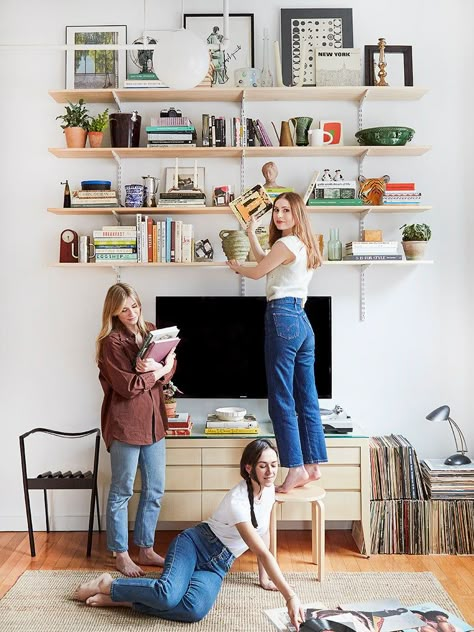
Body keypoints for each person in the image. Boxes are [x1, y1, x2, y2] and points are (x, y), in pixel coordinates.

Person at [74, 439, 306, 630]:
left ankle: (124, 601)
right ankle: (109, 585)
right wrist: (290, 596)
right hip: (194, 545)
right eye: (263, 465)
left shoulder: (268, 493)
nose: (270, 472)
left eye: (274, 465)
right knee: (167, 595)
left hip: (217, 566)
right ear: (249, 467)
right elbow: (262, 551)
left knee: (193, 610)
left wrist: (264, 579)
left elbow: (263, 534)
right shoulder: (238, 501)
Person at [226, 192, 328, 493]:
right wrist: (250, 235)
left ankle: (294, 467)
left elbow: (258, 272)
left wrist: (236, 267)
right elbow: (265, 261)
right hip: (302, 321)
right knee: (307, 398)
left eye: (286, 210)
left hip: (282, 316)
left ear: (297, 214)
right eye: (276, 210)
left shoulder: (286, 244)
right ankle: (312, 465)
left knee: (281, 399)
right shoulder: (303, 245)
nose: (279, 215)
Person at [96, 283, 177, 577]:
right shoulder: (111, 343)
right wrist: (157, 371)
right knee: (122, 490)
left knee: (155, 489)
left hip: (155, 423)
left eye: (135, 305)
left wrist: (163, 367)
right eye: (124, 308)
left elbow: (170, 367)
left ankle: (145, 547)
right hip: (126, 424)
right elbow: (127, 387)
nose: (132, 312)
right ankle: (120, 553)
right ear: (114, 312)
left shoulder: (153, 331)